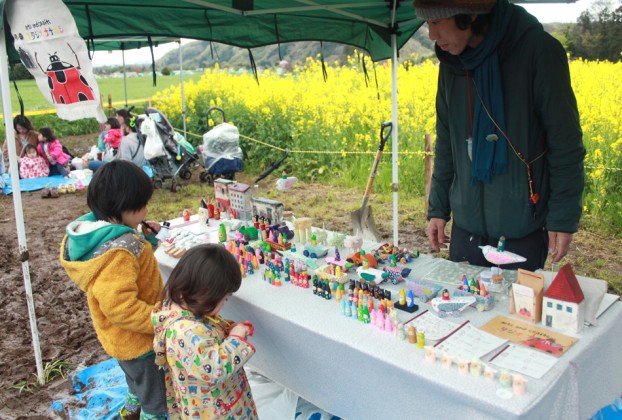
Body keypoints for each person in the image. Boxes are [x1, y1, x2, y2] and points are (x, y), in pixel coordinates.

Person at [416, 0, 585, 271]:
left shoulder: (539, 52)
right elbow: (447, 143)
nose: (431, 35)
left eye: (436, 22)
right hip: (466, 232)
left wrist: (563, 218)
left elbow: (565, 144)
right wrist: (438, 209)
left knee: (515, 314)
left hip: (520, 231)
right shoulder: (450, 63)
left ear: (468, 16)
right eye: (427, 23)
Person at [60, 160, 167, 420]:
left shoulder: (96, 236)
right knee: (157, 400)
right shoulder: (121, 250)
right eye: (142, 206)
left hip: (117, 339)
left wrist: (143, 237)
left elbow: (125, 274)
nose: (146, 210)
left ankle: (131, 408)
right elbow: (121, 307)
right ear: (123, 208)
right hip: (140, 342)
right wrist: (161, 319)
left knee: (134, 380)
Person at [152, 244, 258, 419]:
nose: (224, 303)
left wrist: (227, 330)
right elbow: (216, 368)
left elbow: (206, 336)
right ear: (206, 293)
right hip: (216, 410)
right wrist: (236, 338)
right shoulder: (185, 331)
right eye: (224, 298)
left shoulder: (184, 309)